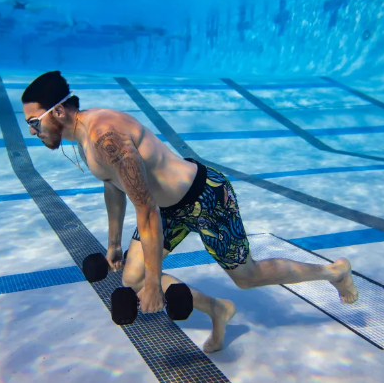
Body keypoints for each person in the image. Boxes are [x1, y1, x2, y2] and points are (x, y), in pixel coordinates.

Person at [21, 71, 358, 353]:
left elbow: (147, 209)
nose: (33, 132)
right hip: (167, 209)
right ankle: (218, 309)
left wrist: (155, 282)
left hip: (205, 197)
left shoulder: (104, 136)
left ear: (60, 112)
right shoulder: (83, 140)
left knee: (247, 278)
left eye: (35, 122)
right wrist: (114, 243)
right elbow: (113, 186)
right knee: (131, 276)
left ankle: (334, 273)